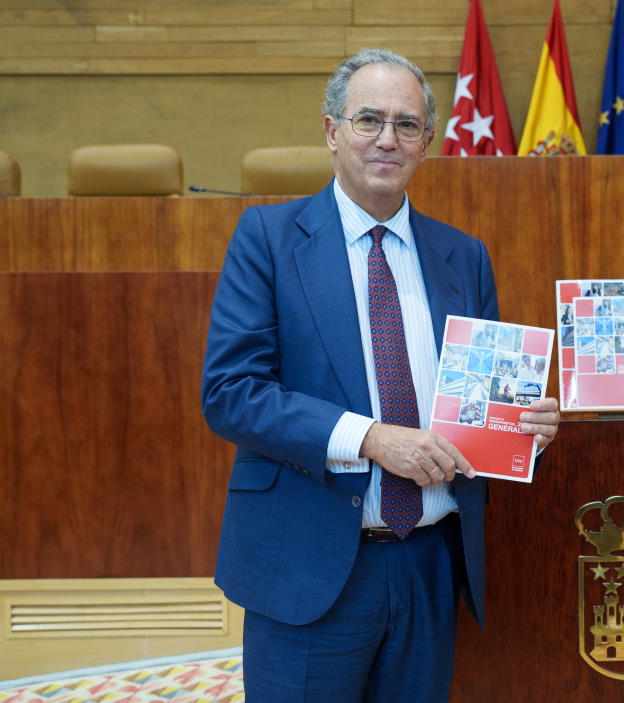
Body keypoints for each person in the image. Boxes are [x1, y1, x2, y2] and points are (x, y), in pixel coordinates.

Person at [201, 48, 560, 701]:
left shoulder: (465, 256)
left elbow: (477, 410)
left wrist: (522, 425)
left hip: (430, 561)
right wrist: (371, 438)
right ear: (332, 131)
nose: (387, 139)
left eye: (407, 124)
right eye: (369, 120)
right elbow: (231, 394)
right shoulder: (268, 239)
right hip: (310, 566)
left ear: (428, 142)